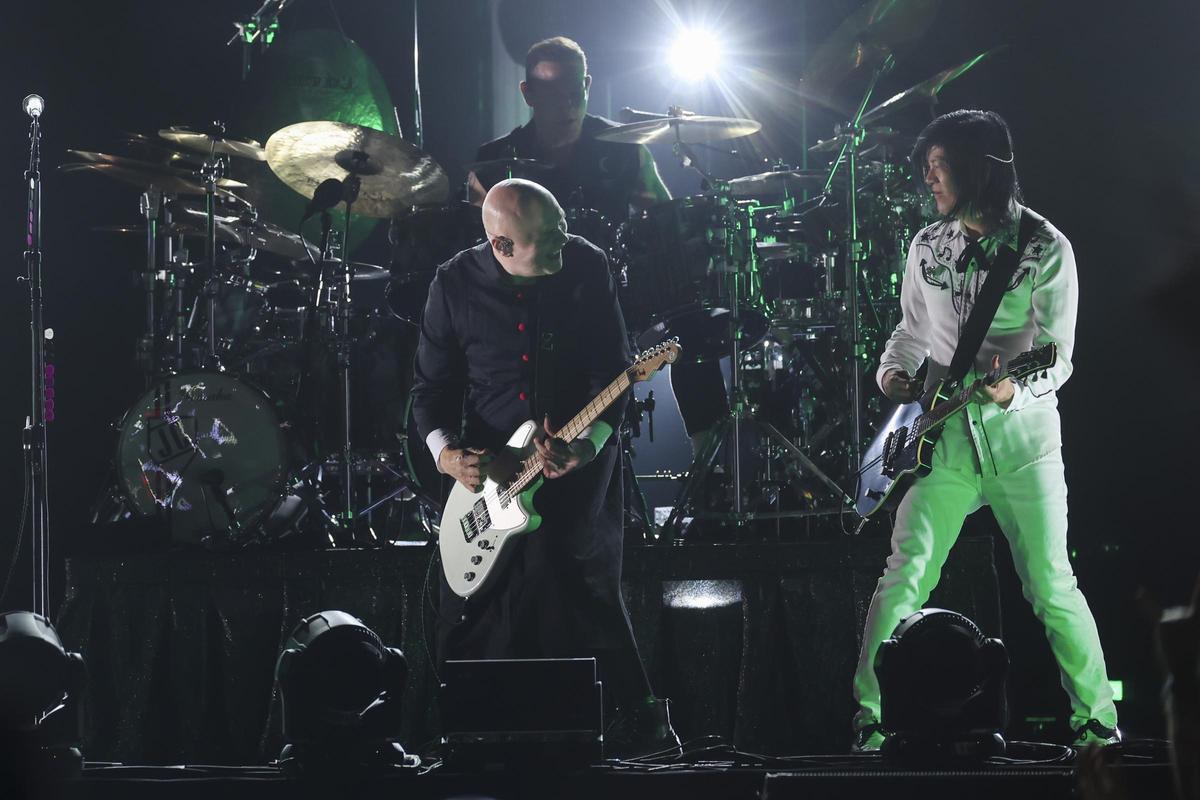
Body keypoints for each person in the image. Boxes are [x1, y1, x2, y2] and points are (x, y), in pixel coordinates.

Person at [851, 110, 1119, 751]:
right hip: (941, 441)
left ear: (976, 170)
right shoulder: (927, 246)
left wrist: (1015, 385)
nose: (927, 179)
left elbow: (1058, 354)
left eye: (938, 166)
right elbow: (911, 331)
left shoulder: (1046, 249)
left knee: (1052, 582)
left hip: (1022, 446)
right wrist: (892, 376)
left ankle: (1098, 724)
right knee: (905, 572)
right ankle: (869, 720)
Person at [410, 178, 680, 756]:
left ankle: (634, 729)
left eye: (563, 230)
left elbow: (613, 374)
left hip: (580, 453)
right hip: (492, 469)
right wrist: (447, 454)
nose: (565, 246)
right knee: (476, 599)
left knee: (572, 569)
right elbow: (429, 393)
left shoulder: (587, 266)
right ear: (503, 246)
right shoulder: (452, 284)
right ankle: (475, 737)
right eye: (548, 243)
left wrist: (590, 443)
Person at [468, 35, 729, 458]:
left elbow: (664, 223)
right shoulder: (497, 160)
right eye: (551, 90)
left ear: (588, 84)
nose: (567, 101)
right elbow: (479, 250)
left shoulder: (625, 149)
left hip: (615, 288)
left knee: (689, 321)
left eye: (574, 88)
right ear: (528, 93)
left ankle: (712, 473)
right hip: (532, 298)